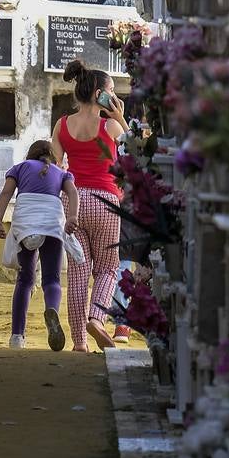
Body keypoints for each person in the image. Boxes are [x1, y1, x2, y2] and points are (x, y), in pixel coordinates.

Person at [52, 60, 129, 352]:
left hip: (73, 202)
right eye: (110, 92)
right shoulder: (109, 124)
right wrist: (121, 117)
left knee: (78, 273)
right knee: (108, 269)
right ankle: (97, 319)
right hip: (106, 201)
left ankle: (80, 343)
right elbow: (134, 149)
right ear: (100, 94)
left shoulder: (62, 125)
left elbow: (57, 167)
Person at [0, 140, 82, 351]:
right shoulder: (61, 173)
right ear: (52, 157)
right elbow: (73, 193)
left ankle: (17, 337)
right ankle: (51, 309)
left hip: (26, 222)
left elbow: (6, 193)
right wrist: (72, 217)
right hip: (52, 221)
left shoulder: (20, 168)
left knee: (25, 280)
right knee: (52, 279)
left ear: (30, 154)